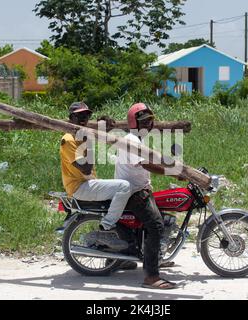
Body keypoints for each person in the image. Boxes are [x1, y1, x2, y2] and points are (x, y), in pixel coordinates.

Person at [114, 103, 185, 290]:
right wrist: (172, 172)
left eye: (150, 121)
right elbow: (146, 164)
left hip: (139, 188)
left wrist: (174, 163)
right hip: (133, 192)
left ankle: (152, 257)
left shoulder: (139, 139)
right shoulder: (131, 141)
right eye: (144, 121)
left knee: (161, 217)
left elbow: (151, 160)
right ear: (134, 123)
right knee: (156, 226)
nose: (148, 124)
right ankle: (151, 276)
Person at [59, 102, 132, 251]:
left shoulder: (82, 134)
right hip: (79, 187)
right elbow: (86, 169)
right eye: (80, 115)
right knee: (124, 187)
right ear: (71, 117)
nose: (84, 118)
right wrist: (90, 140)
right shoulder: (68, 140)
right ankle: (106, 228)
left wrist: (107, 125)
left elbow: (106, 132)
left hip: (88, 183)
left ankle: (125, 251)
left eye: (87, 115)